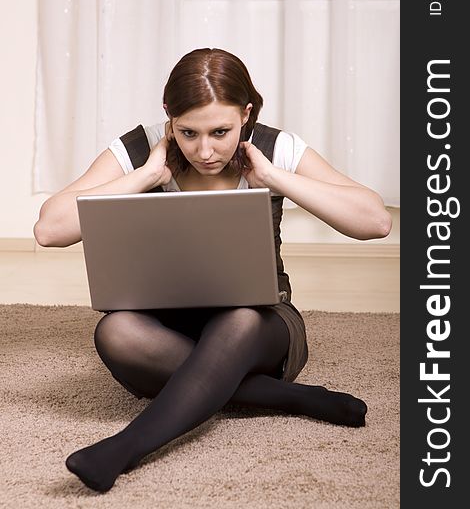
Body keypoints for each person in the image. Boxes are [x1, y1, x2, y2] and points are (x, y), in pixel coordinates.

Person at [34, 47, 392, 492]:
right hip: (167, 323)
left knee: (238, 320)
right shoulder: (141, 147)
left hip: (260, 322)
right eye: (188, 133)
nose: (205, 151)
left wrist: (276, 179)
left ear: (246, 114)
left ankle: (124, 448)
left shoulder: (274, 147)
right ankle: (289, 398)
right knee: (115, 332)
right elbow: (50, 229)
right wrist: (144, 177)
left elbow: (375, 221)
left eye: (221, 132)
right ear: (169, 117)